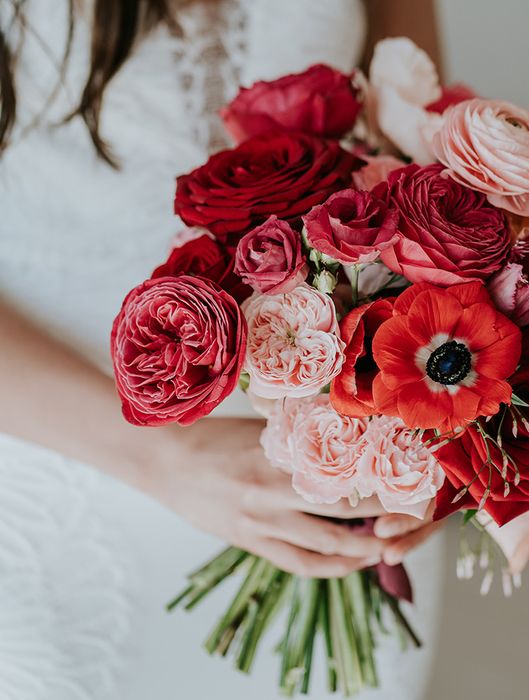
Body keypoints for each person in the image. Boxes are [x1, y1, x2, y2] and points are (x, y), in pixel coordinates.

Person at [0, 1, 444, 698]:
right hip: (59, 472)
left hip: (334, 493)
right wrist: (161, 457)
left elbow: (414, 142)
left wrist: (431, 424)